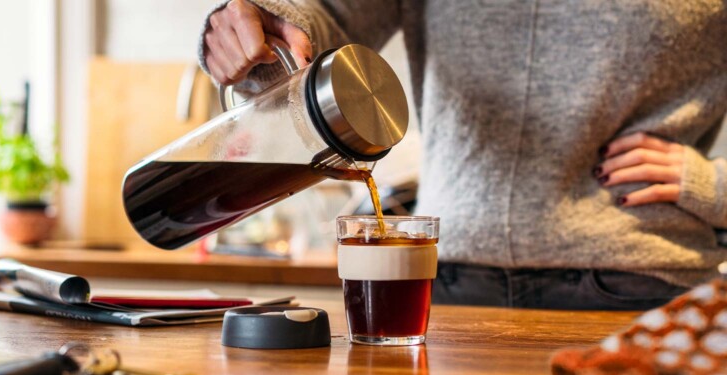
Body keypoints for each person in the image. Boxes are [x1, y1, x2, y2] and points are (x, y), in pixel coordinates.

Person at [198, 0, 727, 310]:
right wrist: (258, 29)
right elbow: (319, 21)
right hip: (447, 283)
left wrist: (712, 186)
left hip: (644, 286)